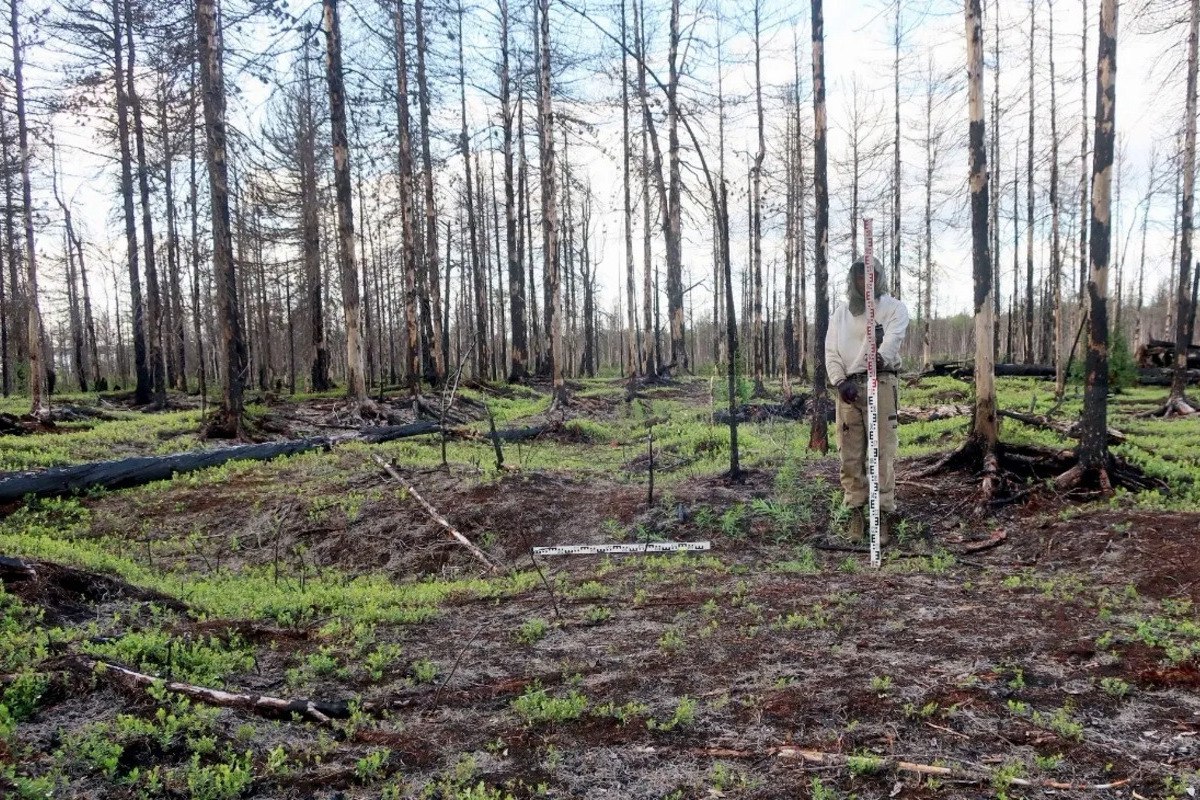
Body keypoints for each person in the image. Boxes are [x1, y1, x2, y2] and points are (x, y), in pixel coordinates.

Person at [825, 255, 910, 546]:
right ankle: (856, 512)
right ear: (853, 280)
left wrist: (878, 356)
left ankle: (884, 512)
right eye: (860, 277)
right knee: (850, 454)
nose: (866, 282)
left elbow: (892, 341)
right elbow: (831, 351)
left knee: (882, 452)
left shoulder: (893, 308)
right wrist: (840, 381)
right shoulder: (841, 314)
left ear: (879, 277)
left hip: (882, 384)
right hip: (850, 388)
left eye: (871, 276)